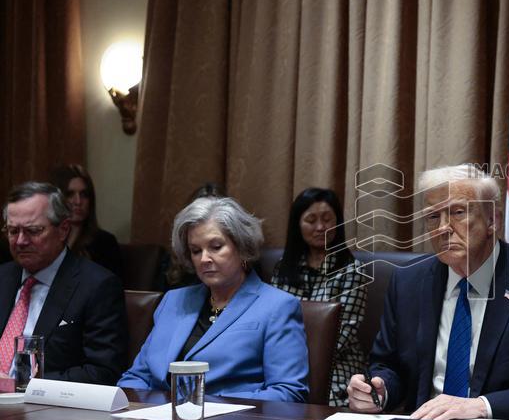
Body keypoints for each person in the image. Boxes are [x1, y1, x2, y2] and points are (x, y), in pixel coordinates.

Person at [347, 164, 509, 420]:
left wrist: (481, 406)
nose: (443, 228)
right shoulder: (408, 282)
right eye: (433, 216)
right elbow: (388, 365)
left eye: (458, 212)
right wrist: (380, 391)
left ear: (493, 221)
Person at [119, 197, 309, 401]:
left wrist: (199, 407)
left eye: (216, 247)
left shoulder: (277, 306)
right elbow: (136, 377)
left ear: (242, 247)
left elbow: (288, 393)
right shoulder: (173, 301)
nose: (204, 259)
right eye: (196, 251)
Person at [1, 182, 128, 391]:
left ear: (63, 230)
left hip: (43, 408)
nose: (21, 241)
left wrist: (22, 386)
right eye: (13, 231)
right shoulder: (3, 277)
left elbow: (102, 372)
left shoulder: (97, 286)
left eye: (33, 231)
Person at [271, 188, 367, 406]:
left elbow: (342, 334)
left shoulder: (352, 270)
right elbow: (273, 320)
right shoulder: (283, 267)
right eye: (311, 220)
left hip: (336, 363)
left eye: (327, 219)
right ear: (298, 224)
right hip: (284, 361)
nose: (320, 227)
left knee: (330, 399)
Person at [49, 164, 124, 279]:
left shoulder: (104, 242)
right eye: (70, 194)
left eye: (84, 195)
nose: (78, 201)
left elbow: (110, 288)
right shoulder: (44, 239)